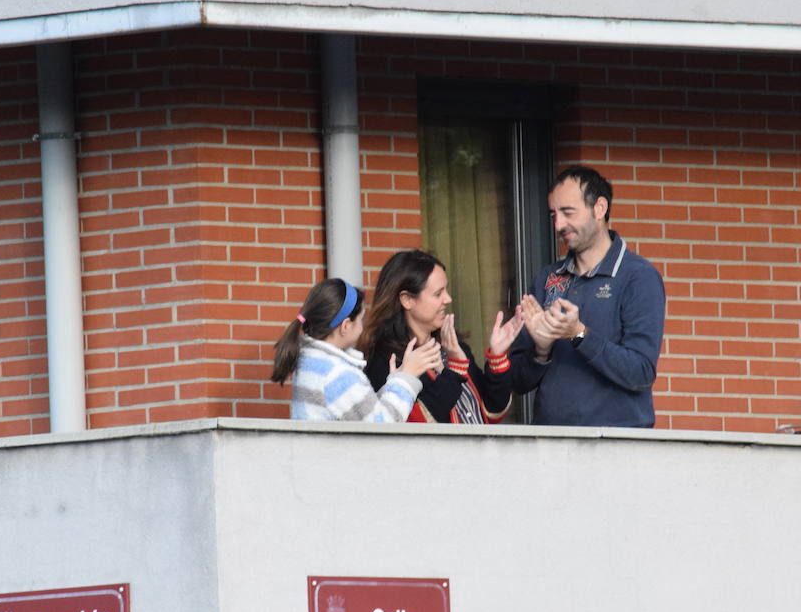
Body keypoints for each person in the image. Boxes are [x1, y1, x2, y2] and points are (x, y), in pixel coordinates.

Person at [510, 166, 665, 427]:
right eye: (553, 215)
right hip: (550, 446)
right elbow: (518, 383)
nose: (559, 225)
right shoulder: (548, 278)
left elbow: (640, 372)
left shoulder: (638, 277)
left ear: (599, 208)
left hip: (615, 446)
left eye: (568, 213)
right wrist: (541, 350)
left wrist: (578, 334)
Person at [361, 249, 525, 424]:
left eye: (446, 290)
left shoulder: (454, 347)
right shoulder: (386, 361)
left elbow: (492, 412)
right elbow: (415, 427)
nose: (448, 299)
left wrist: (497, 358)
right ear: (407, 300)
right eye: (438, 294)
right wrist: (454, 372)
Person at [271, 278, 441, 421]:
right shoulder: (337, 374)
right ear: (345, 326)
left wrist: (396, 380)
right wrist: (407, 377)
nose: (363, 327)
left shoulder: (314, 363)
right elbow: (382, 427)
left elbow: (363, 413)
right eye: (361, 319)